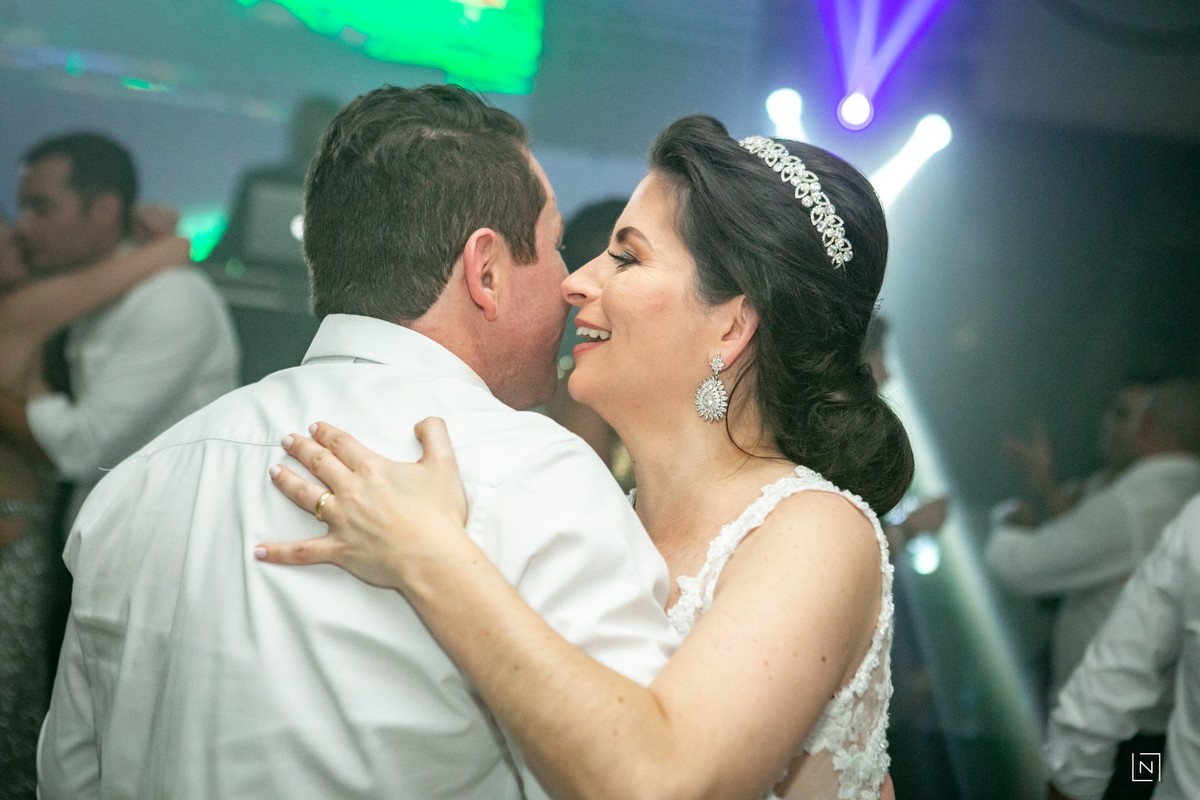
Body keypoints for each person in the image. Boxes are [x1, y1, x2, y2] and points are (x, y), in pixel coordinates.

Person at [37, 85, 676, 799]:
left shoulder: (141, 479)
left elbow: (72, 778)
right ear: (486, 271)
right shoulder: (536, 477)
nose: (570, 282)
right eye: (555, 248)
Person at [259, 116, 912, 799]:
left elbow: (670, 784)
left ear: (731, 324)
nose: (576, 282)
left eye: (626, 258)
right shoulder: (595, 517)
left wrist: (430, 556)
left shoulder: (817, 531)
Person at [0, 209, 187, 800]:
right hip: (12, 544)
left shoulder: (28, 311)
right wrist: (164, 246)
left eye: (31, 211)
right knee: (16, 733)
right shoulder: (21, 310)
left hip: (23, 536)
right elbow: (167, 256)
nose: (19, 230)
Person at [0, 132, 240, 525]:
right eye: (21, 208)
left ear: (106, 210)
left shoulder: (169, 298)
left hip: (155, 539)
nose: (23, 227)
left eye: (41, 208)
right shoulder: (75, 294)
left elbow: (83, 447)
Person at [985, 378, 1200, 706]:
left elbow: (1029, 565)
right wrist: (1046, 483)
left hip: (1116, 715)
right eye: (1115, 412)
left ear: (1146, 425)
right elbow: (1078, 546)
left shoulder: (1136, 504)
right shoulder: (1129, 492)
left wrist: (1005, 525)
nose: (1120, 427)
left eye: (1130, 416)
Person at [1043, 493, 1200, 800]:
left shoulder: (1188, 520)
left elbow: (1100, 695)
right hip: (1149, 733)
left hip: (1151, 737)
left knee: (1137, 781)